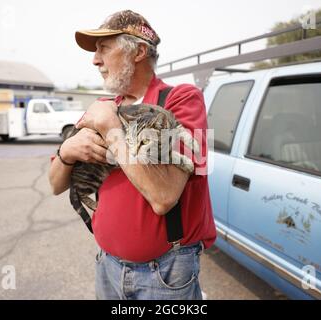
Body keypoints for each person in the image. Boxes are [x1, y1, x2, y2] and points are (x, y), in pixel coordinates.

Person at [48, 9, 216, 300]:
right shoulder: (103, 105)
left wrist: (110, 127)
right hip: (107, 266)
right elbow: (55, 185)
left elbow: (163, 197)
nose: (95, 59)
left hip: (163, 274)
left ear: (138, 51)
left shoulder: (180, 99)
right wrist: (67, 152)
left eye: (104, 48)